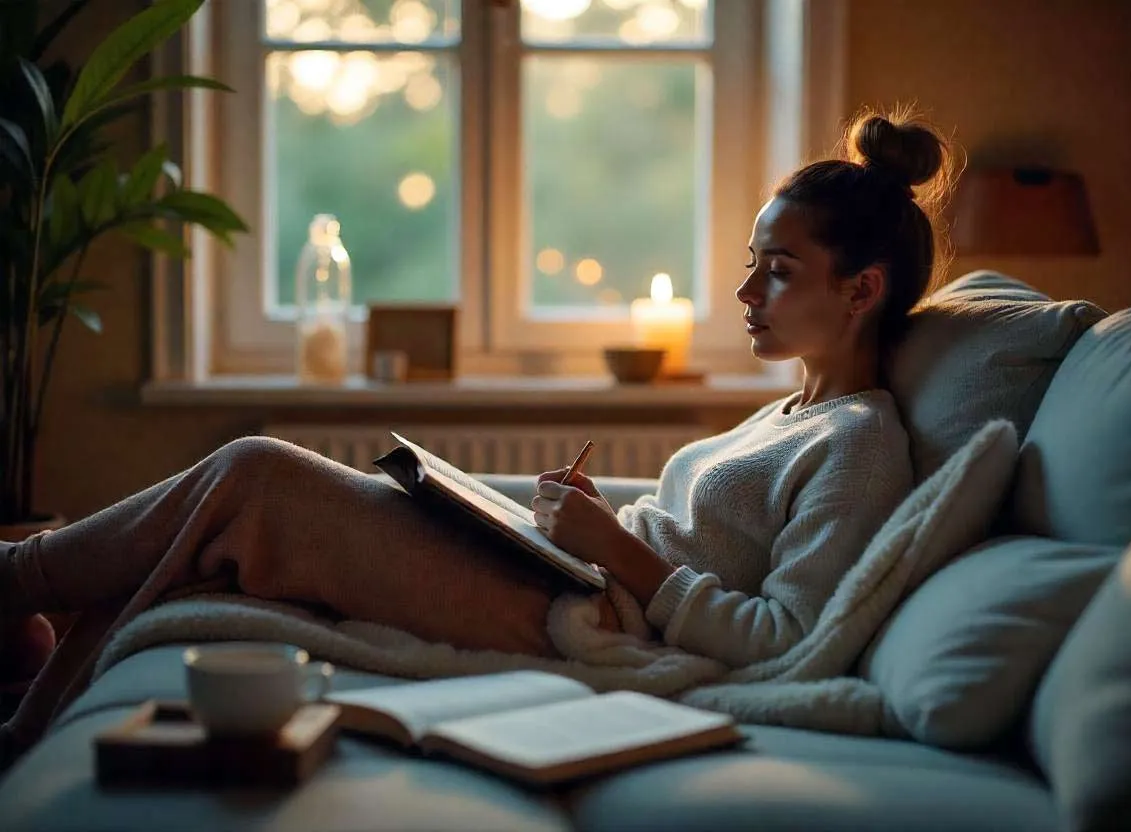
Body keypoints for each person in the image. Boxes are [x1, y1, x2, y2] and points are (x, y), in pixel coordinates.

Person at [0, 107, 954, 744]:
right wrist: (583, 526)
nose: (745, 290)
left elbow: (784, 638)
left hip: (579, 616)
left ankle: (17, 587)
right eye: (752, 260)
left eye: (778, 270)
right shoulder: (792, 411)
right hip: (565, 574)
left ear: (861, 288)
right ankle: (32, 692)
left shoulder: (859, 445)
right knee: (231, 532)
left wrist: (617, 553)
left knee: (255, 477)